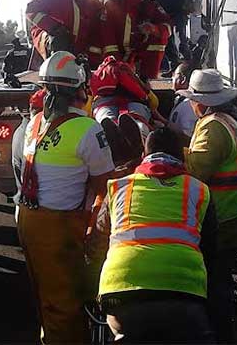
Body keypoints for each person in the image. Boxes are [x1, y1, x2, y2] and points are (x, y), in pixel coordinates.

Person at [17, 51, 114, 344]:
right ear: (79, 90)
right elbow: (104, 185)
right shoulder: (87, 129)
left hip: (28, 219)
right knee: (65, 303)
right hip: (57, 226)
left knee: (44, 294)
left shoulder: (33, 123)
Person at [92, 127, 216, 342]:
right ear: (181, 157)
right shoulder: (199, 190)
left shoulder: (119, 187)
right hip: (184, 293)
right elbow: (211, 247)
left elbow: (97, 240)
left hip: (121, 292)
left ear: (144, 156)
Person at [178, 69, 237, 343]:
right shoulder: (225, 120)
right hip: (236, 212)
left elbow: (197, 170)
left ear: (200, 102)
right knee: (220, 278)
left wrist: (170, 152)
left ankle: (221, 335)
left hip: (226, 216)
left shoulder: (212, 127)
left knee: (215, 284)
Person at [26, 0, 104, 69]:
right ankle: (55, 73)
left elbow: (98, 31)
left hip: (78, 45)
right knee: (59, 41)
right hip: (52, 38)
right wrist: (54, 28)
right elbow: (31, 9)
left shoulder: (95, 3)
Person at [102, 0, 172, 79]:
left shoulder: (151, 6)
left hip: (140, 53)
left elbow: (167, 28)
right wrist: (116, 64)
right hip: (118, 53)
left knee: (159, 40)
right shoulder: (112, 5)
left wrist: (154, 29)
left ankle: (148, 78)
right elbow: (107, 36)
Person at [168, 63, 198, 138]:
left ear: (182, 79)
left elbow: (187, 136)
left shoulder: (189, 106)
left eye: (174, 75)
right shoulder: (181, 99)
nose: (172, 78)